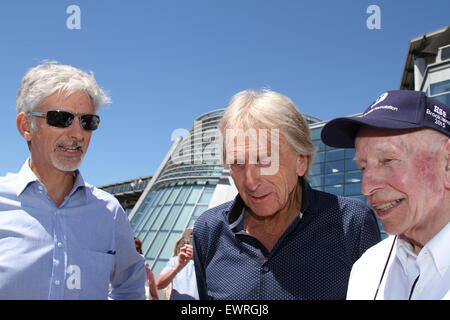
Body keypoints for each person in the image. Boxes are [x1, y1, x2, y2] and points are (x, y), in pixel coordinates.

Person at [192, 89, 381, 300]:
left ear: (301, 161)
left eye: (265, 161)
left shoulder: (352, 224)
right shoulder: (209, 231)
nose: (251, 181)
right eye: (237, 163)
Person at [0, 62, 145, 299]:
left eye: (87, 122)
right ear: (26, 126)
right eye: (61, 118)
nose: (78, 134)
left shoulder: (110, 213)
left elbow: (131, 283)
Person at [321, 90, 450, 300]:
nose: (366, 187)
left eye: (388, 160)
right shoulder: (367, 268)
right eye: (363, 167)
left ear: (447, 163)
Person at [156, 228, 199, 300]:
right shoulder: (175, 261)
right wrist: (178, 267)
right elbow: (159, 285)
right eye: (192, 236)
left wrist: (198, 259)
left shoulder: (210, 262)